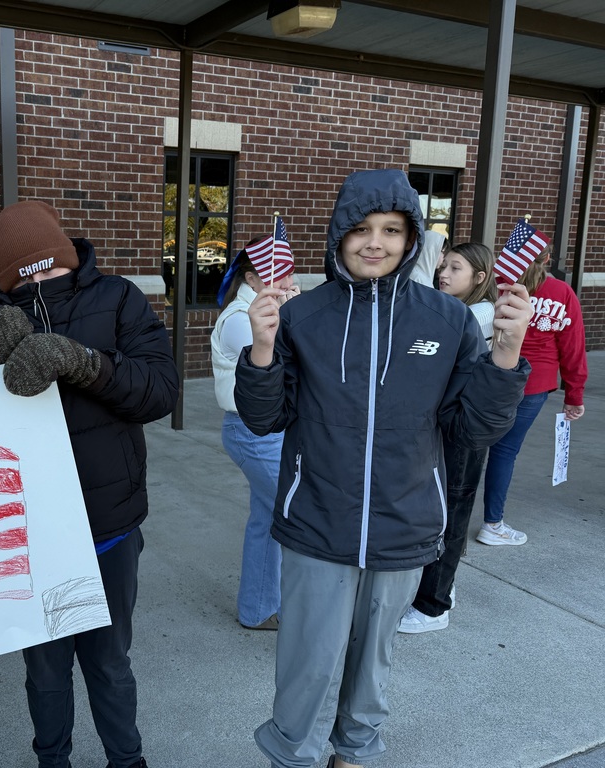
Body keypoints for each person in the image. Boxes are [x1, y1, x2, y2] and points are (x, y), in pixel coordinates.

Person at [234, 169, 532, 768]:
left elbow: (474, 428)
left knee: (373, 666)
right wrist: (261, 350)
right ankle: (290, 755)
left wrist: (506, 355)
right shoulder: (304, 316)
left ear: (412, 238)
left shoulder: (445, 320)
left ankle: (354, 754)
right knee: (306, 665)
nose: (376, 242)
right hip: (318, 522)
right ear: (339, 236)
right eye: (362, 229)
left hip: (404, 522)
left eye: (393, 230)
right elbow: (266, 418)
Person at [0, 200, 179, 768]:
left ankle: (127, 759)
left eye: (52, 267)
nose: (43, 280)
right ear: (3, 278)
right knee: (45, 666)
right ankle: (53, 759)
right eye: (27, 274)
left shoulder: (118, 298)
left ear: (71, 258)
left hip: (109, 523)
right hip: (28, 529)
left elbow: (159, 390)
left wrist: (86, 363)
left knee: (109, 660)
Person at [399, 242, 499, 633]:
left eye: (456, 268)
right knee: (445, 510)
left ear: (480, 277)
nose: (444, 274)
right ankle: (444, 587)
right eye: (444, 266)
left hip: (464, 429)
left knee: (450, 514)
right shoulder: (461, 310)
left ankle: (433, 607)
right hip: (451, 425)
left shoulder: (474, 314)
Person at [210, 243, 300, 630]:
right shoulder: (237, 319)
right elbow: (285, 355)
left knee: (268, 518)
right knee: (296, 515)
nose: (291, 280)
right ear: (251, 279)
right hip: (250, 431)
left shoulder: (264, 311)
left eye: (290, 271)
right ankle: (293, 608)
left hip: (266, 429)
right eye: (280, 273)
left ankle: (259, 608)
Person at [478, 243, 588, 546]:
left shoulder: (494, 286)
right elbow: (573, 348)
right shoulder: (563, 293)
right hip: (533, 385)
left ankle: (446, 519)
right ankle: (492, 523)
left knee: (468, 447)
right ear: (548, 258)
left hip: (489, 378)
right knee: (504, 452)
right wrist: (574, 395)